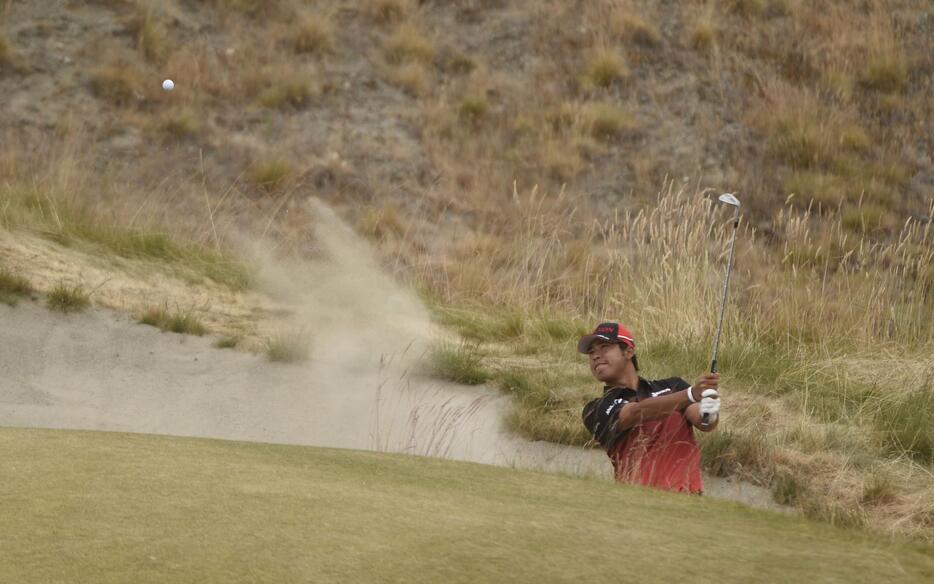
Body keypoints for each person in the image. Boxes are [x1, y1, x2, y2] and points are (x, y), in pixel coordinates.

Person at [579, 322, 721, 494]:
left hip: (688, 498)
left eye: (604, 347)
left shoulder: (673, 386)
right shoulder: (595, 409)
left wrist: (710, 412)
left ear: (628, 351)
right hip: (637, 502)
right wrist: (690, 394)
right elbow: (636, 412)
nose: (595, 356)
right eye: (591, 352)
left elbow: (703, 423)